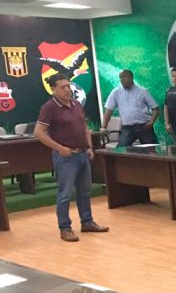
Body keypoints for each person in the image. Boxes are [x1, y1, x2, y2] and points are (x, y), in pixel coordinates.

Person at [35, 74, 109, 242]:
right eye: (62, 87)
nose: (67, 90)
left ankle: (87, 222)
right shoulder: (49, 108)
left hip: (82, 154)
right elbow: (39, 133)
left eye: (68, 86)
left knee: (85, 191)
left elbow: (84, 127)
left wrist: (89, 147)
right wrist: (60, 148)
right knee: (65, 194)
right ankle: (65, 228)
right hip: (65, 157)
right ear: (53, 89)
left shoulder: (76, 104)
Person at [101, 70, 159, 147]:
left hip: (144, 126)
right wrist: (103, 127)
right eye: (120, 77)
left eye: (124, 77)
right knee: (121, 149)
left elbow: (155, 108)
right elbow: (108, 110)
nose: (122, 80)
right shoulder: (116, 92)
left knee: (152, 149)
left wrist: (151, 122)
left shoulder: (142, 91)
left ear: (131, 77)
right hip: (127, 128)